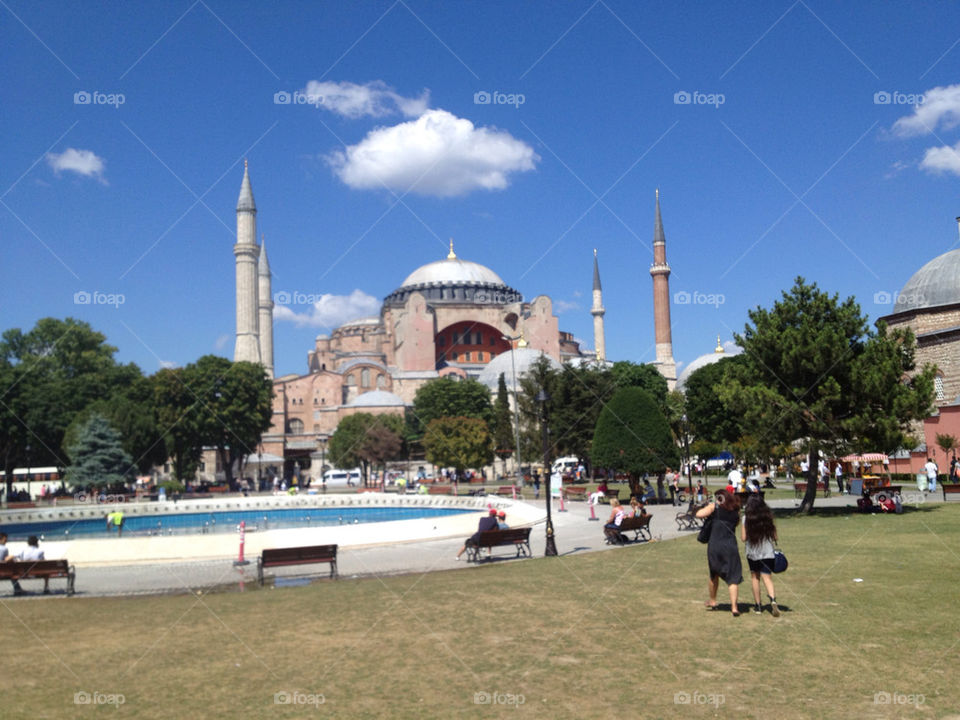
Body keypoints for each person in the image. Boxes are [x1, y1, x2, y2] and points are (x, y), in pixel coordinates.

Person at [696, 489, 743, 617]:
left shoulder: (714, 508)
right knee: (733, 577)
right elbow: (736, 523)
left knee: (714, 574)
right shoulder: (735, 512)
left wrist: (710, 506)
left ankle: (713, 600)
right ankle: (734, 607)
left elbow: (699, 514)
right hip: (731, 546)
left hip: (715, 545)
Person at [741, 496, 780, 617]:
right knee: (767, 578)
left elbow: (743, 538)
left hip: (753, 552)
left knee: (755, 577)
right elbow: (775, 537)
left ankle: (758, 605)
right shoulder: (768, 518)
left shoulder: (745, 519)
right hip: (767, 552)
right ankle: (773, 599)